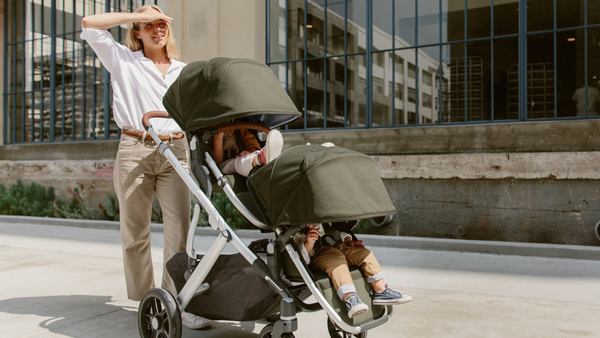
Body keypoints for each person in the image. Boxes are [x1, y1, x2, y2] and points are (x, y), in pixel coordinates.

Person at [80, 5, 210, 329]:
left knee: (178, 228)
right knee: (134, 230)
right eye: (149, 25)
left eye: (162, 24)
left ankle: (175, 302)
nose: (157, 30)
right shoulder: (122, 60)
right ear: (138, 31)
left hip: (175, 149)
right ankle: (147, 302)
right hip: (134, 147)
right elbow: (89, 23)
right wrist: (133, 16)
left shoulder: (183, 70)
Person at [295, 223, 412, 318]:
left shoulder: (321, 222)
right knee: (337, 262)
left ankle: (381, 290)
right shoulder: (297, 231)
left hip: (337, 245)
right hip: (317, 253)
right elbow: (302, 257)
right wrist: (308, 243)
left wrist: (347, 240)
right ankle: (350, 299)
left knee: (364, 254)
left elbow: (333, 232)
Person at [211, 127, 283, 177]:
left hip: (242, 158)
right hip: (219, 168)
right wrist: (218, 138)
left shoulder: (238, 127)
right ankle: (260, 158)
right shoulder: (205, 130)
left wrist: (250, 151)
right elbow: (216, 162)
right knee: (239, 162)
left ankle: (262, 157)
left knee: (244, 159)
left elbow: (250, 141)